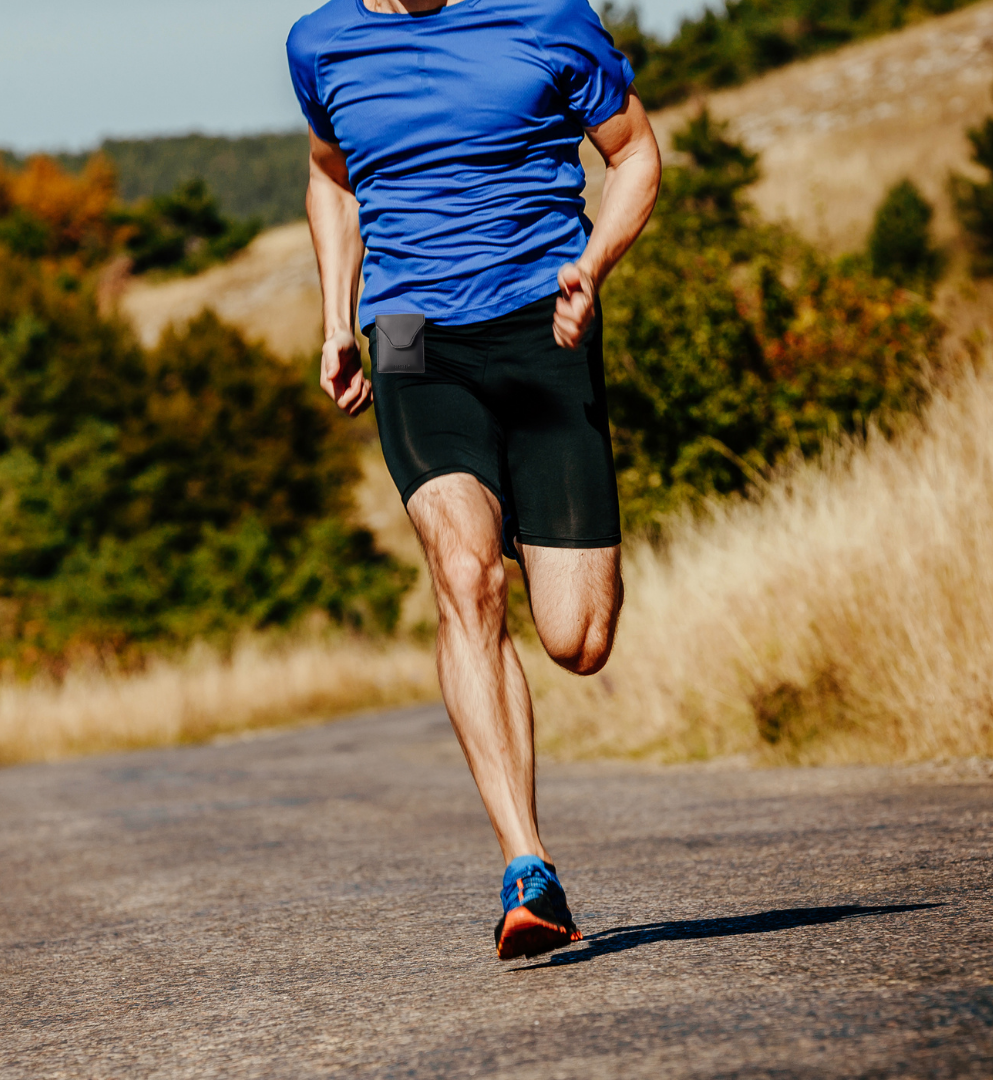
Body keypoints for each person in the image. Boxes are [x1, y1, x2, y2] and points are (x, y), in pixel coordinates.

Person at [287, 0, 661, 960]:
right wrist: (337, 319)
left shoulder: (547, 16)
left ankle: (534, 528)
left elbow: (634, 153)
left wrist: (593, 266)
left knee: (578, 640)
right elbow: (331, 178)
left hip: (544, 322)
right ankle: (526, 867)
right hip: (412, 335)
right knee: (464, 572)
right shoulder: (321, 43)